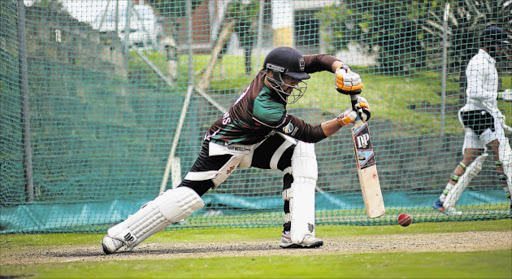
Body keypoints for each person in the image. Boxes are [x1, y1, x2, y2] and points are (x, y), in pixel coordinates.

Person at [101, 46, 370, 254]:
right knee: (188, 197)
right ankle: (121, 234)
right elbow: (310, 132)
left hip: (257, 142)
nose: (295, 84)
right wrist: (346, 118)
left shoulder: (275, 73)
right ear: (273, 74)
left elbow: (319, 60)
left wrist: (341, 68)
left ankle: (297, 234)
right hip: (225, 147)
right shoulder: (265, 107)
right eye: (291, 80)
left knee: (300, 153)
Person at [432, 26, 512, 216]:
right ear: (489, 43)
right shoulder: (478, 63)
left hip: (478, 115)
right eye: (500, 45)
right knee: (506, 158)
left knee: (472, 160)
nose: (503, 49)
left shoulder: (489, 63)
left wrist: (497, 112)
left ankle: (443, 201)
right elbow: (473, 93)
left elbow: (484, 98)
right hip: (479, 116)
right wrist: (501, 95)